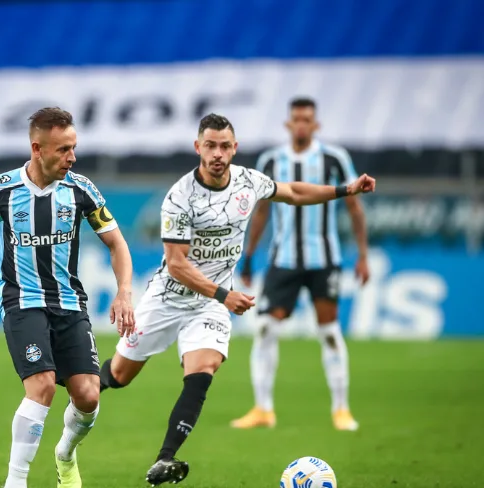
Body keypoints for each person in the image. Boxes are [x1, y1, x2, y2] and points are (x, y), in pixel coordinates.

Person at [96, 113, 376, 486]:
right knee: (118, 374)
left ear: (234, 148)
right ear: (198, 147)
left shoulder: (248, 181)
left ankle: (166, 458)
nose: (217, 153)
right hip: (168, 298)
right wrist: (226, 295)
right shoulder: (180, 197)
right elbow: (177, 266)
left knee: (202, 371)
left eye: (224, 146)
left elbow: (293, 192)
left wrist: (345, 190)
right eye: (210, 145)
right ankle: (80, 383)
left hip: (210, 304)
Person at [0, 107, 135, 488]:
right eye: (63, 150)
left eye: (74, 148)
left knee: (88, 395)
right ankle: (15, 482)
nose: (72, 157)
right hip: (22, 300)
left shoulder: (81, 190)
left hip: (69, 303)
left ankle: (65, 454)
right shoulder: (1, 189)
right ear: (37, 148)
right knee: (43, 386)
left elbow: (117, 243)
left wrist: (124, 292)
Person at [230, 97, 369, 432]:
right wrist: (248, 256)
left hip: (325, 259)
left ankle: (341, 409)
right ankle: (263, 409)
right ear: (289, 124)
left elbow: (354, 207)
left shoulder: (334, 158)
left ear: (315, 124)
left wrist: (363, 254)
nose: (302, 125)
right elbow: (260, 210)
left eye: (308, 119)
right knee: (264, 327)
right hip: (283, 259)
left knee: (330, 331)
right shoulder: (271, 159)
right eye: (297, 120)